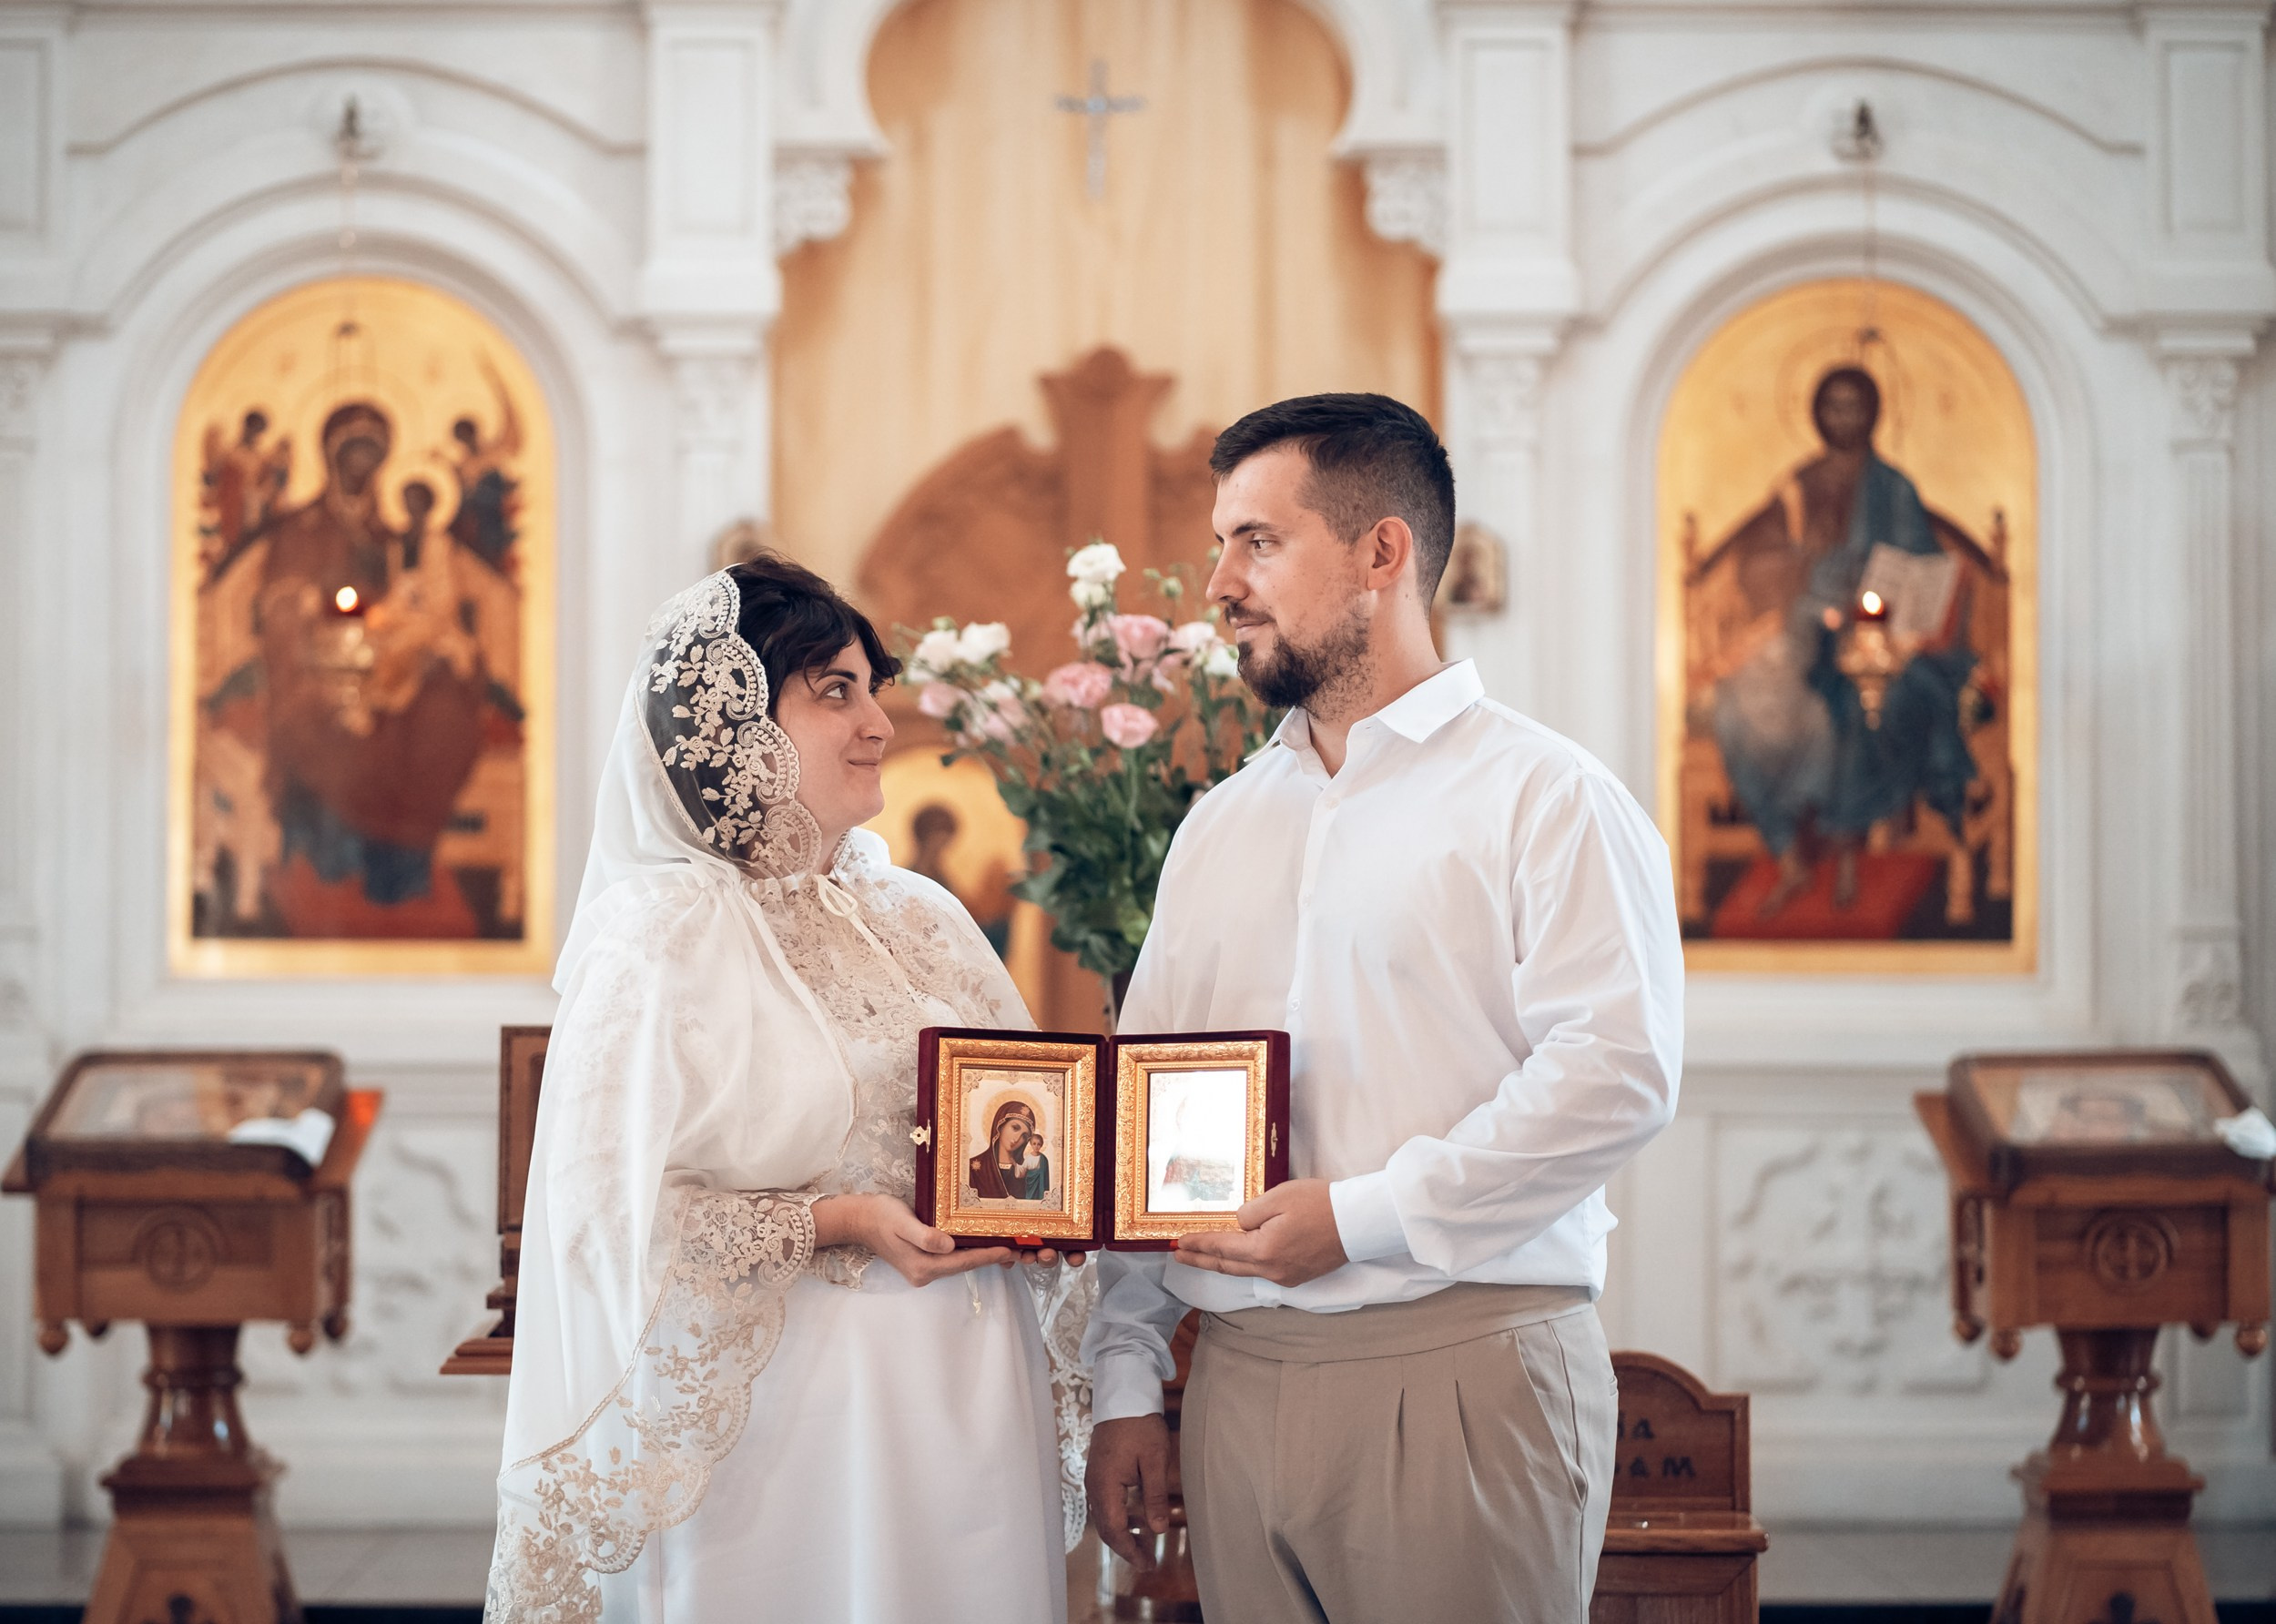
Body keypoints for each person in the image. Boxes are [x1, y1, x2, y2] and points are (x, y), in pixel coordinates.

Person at [1082, 394, 1684, 1624]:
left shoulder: (1549, 798)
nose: (1218, 584)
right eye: (1220, 547)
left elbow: (1616, 1071)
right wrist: (1126, 1377)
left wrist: (1360, 1218)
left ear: (1382, 553)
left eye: (1257, 542)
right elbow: (1154, 1099)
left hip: (1459, 1367)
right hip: (1238, 1383)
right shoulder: (1220, 825)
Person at [489, 555, 1082, 1622]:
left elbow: (1029, 1114)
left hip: (965, 1393)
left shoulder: (919, 911)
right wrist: (841, 1219)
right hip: (788, 1419)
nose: (876, 725)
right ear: (735, 725)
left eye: (874, 689)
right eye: (833, 691)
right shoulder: (662, 937)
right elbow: (602, 1220)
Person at [1692, 366, 1978, 916]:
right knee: (1737, 706)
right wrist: (1804, 565)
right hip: (1806, 629)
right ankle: (1788, 850)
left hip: (1881, 639)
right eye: (1832, 406)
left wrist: (1887, 600)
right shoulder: (1798, 487)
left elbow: (1922, 566)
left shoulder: (1893, 490)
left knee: (1865, 704)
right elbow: (1757, 563)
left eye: (1854, 406)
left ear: (1874, 413)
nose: (1843, 418)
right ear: (1815, 414)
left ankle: (1846, 852)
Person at [969, 1099, 1041, 1200]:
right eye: (1015, 1128)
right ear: (1000, 1125)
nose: (1016, 1139)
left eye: (1024, 1136)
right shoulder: (973, 1169)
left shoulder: (1027, 1173)